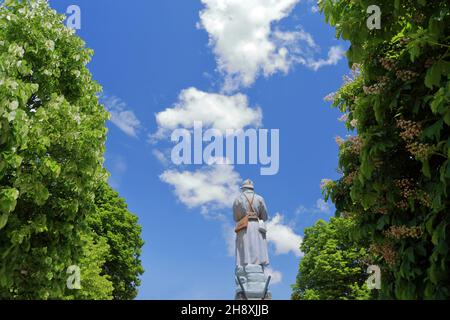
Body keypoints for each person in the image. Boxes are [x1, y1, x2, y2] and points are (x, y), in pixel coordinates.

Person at [233, 179, 269, 267]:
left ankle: (245, 264)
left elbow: (236, 217)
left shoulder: (238, 199)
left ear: (243, 188)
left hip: (244, 226)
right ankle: (258, 264)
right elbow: (265, 216)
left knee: (244, 246)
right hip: (257, 226)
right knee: (258, 246)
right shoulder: (260, 198)